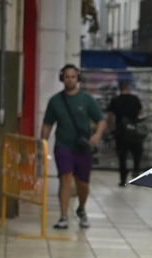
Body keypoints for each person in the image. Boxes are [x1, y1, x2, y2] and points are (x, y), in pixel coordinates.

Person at [40, 64, 106, 230]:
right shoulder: (55, 101)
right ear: (62, 78)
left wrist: (97, 135)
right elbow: (47, 125)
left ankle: (81, 209)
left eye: (73, 77)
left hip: (82, 147)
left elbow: (101, 120)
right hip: (63, 145)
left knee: (82, 183)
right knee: (65, 177)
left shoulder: (86, 100)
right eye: (67, 76)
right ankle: (63, 216)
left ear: (78, 79)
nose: (70, 80)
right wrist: (43, 145)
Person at [107, 77, 145, 187]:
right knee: (137, 154)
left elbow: (110, 117)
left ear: (120, 88)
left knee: (122, 157)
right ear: (128, 88)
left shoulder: (115, 100)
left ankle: (123, 179)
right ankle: (136, 171)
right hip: (133, 132)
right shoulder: (135, 99)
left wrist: (112, 130)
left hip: (121, 133)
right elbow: (141, 112)